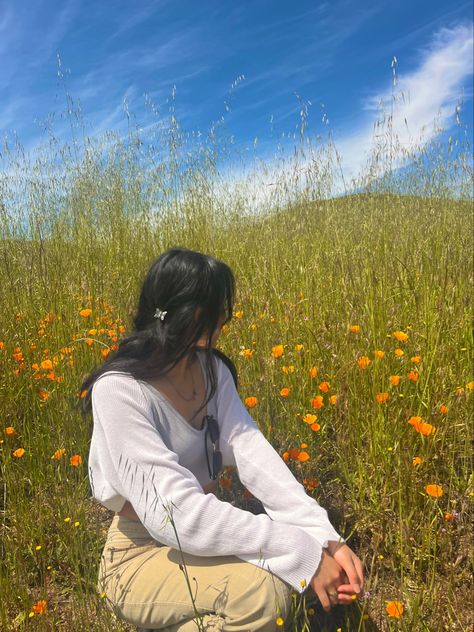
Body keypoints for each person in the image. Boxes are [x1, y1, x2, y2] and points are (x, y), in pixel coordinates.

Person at [80, 247, 364, 631]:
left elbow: (254, 455)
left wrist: (324, 537)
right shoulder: (119, 391)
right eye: (212, 307)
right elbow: (174, 514)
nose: (223, 319)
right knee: (264, 595)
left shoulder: (212, 371)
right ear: (182, 311)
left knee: (290, 582)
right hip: (137, 553)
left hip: (197, 540)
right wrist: (300, 552)